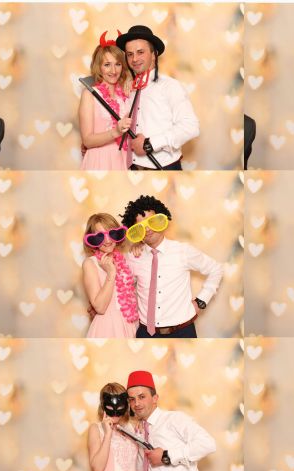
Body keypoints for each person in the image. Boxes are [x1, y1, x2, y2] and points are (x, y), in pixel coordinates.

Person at [122, 195, 223, 338]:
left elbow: (216, 269)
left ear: (162, 220)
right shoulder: (133, 257)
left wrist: (201, 301)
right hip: (145, 333)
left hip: (183, 332)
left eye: (152, 221)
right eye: (141, 227)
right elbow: (123, 290)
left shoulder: (182, 251)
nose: (148, 229)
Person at [116, 25, 200, 170]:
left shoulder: (170, 86)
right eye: (129, 54)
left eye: (140, 52)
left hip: (163, 168)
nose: (134, 59)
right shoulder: (130, 88)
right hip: (133, 169)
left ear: (154, 54)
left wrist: (150, 144)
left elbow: (191, 126)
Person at [127, 370, 216, 471]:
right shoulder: (139, 430)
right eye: (132, 399)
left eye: (142, 397)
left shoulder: (175, 419)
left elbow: (208, 444)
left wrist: (166, 456)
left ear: (155, 398)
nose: (136, 404)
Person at [79, 34, 132, 170]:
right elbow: (87, 140)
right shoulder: (89, 95)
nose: (113, 71)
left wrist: (130, 80)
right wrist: (115, 132)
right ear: (99, 67)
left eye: (118, 64)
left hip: (123, 161)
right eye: (107, 65)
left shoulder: (126, 94)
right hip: (99, 161)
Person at [82, 212, 139, 338]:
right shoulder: (90, 263)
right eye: (100, 236)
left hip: (130, 325)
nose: (107, 240)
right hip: (107, 327)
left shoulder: (125, 260)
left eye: (112, 233)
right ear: (92, 239)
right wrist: (111, 273)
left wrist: (140, 246)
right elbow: (100, 307)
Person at [86, 383, 143, 471]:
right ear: (103, 405)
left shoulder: (133, 427)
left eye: (120, 406)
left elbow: (142, 461)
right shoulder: (96, 429)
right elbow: (98, 468)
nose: (116, 411)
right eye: (110, 407)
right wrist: (108, 434)